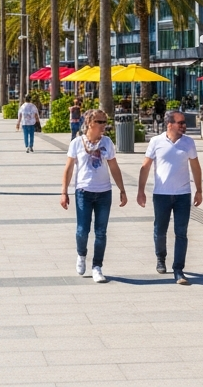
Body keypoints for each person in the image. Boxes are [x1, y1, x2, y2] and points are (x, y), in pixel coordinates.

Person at [136, 110, 203, 285]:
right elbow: (145, 167)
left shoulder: (188, 142)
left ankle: (178, 269)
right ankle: (161, 257)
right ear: (169, 124)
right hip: (161, 195)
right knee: (160, 230)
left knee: (181, 233)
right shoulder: (156, 142)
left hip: (183, 195)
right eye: (180, 123)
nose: (184, 126)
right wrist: (141, 190)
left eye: (184, 123)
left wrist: (199, 190)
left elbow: (196, 167)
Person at [60, 109, 127, 283]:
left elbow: (114, 167)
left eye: (105, 122)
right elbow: (68, 169)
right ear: (90, 123)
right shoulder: (76, 143)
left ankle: (97, 266)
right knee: (82, 230)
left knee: (101, 232)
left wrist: (122, 189)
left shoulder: (107, 142)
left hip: (104, 192)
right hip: (84, 191)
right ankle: (81, 254)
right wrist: (64, 192)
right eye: (100, 122)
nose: (104, 125)